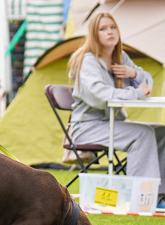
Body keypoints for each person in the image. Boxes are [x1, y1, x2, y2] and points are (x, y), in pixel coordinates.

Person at [68, 11, 165, 208]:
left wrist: (134, 73)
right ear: (94, 35)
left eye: (112, 27)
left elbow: (147, 85)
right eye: (103, 29)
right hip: (87, 126)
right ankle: (141, 200)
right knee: (143, 134)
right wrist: (135, 92)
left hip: (114, 123)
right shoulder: (87, 61)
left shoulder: (120, 57)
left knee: (162, 132)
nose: (110, 32)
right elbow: (100, 95)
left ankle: (158, 196)